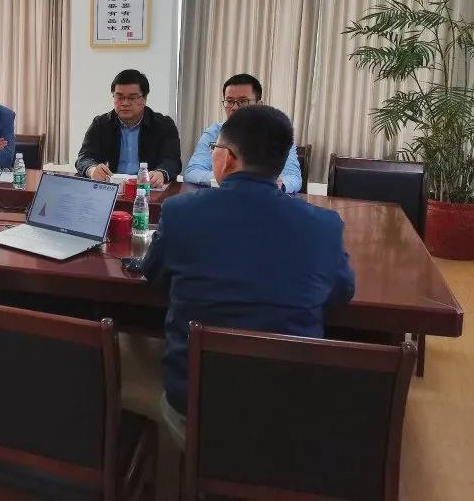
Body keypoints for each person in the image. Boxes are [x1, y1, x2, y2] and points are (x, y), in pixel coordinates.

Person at [136, 105, 355, 435]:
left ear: (226, 158)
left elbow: (154, 275)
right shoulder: (325, 225)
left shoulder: (180, 212)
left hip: (195, 405)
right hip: (290, 409)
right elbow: (341, 293)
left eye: (215, 148)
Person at [184, 73, 303, 193]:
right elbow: (192, 172)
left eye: (243, 101)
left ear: (259, 105)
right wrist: (236, 179)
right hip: (223, 197)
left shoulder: (278, 134)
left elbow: (293, 178)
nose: (234, 107)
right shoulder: (214, 132)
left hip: (263, 197)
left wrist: (279, 185)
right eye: (229, 101)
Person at [75, 69, 181, 186]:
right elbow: (84, 158)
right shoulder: (101, 124)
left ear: (144, 98)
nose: (125, 103)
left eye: (132, 98)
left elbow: (172, 160)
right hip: (113, 187)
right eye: (119, 97)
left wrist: (161, 173)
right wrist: (92, 170)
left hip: (147, 187)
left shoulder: (164, 125)